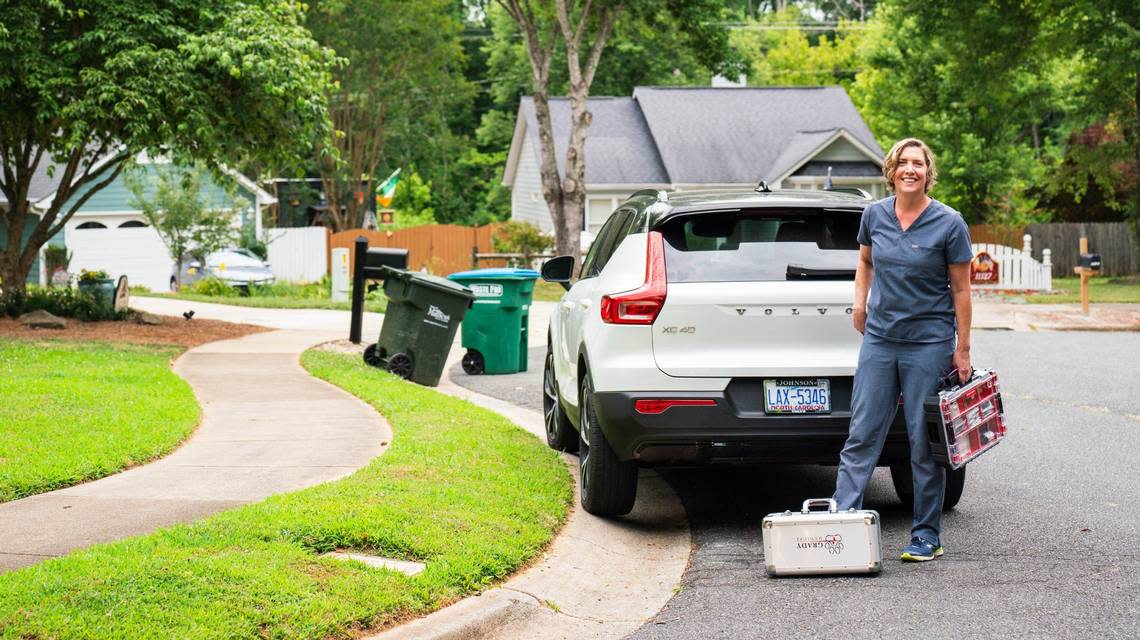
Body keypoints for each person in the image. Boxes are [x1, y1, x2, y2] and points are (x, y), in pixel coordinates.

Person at [833, 137, 974, 562]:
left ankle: (926, 533)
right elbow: (866, 261)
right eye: (903, 162)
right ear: (891, 170)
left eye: (918, 163)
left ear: (928, 172)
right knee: (862, 433)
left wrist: (962, 348)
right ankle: (842, 520)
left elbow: (962, 288)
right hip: (879, 341)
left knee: (921, 440)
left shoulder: (949, 223)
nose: (910, 169)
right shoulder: (874, 214)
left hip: (928, 344)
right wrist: (860, 302)